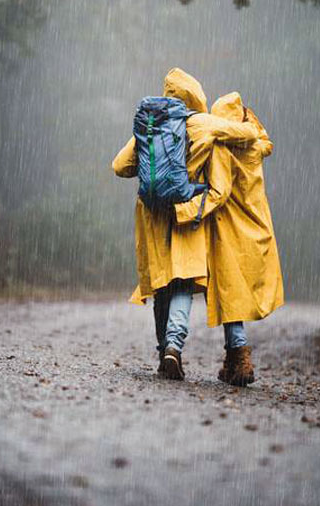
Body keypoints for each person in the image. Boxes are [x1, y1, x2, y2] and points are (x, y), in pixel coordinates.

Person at [113, 69, 259, 380]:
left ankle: (163, 348)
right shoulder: (203, 123)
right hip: (187, 216)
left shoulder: (150, 127)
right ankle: (174, 348)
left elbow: (120, 166)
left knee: (162, 284)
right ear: (195, 96)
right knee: (182, 282)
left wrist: (153, 174)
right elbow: (248, 136)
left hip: (152, 216)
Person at [173, 92, 284, 386]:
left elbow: (218, 193)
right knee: (236, 295)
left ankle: (239, 357)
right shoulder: (254, 147)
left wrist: (184, 211)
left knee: (231, 295)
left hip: (230, 230)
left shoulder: (223, 149)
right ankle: (233, 361)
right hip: (257, 227)